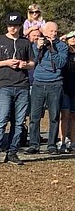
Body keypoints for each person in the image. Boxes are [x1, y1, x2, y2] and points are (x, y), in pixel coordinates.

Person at [0, 13, 33, 165]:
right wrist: (6, 63)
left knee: (18, 122)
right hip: (4, 85)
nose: (13, 28)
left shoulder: (25, 43)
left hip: (22, 85)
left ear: (20, 26)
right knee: (1, 119)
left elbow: (32, 62)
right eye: (10, 25)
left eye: (16, 25)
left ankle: (12, 152)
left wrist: (25, 65)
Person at [25, 21, 68, 155]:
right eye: (50, 31)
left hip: (55, 84)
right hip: (38, 83)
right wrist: (38, 47)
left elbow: (60, 63)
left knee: (54, 116)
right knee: (35, 116)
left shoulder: (62, 46)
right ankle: (34, 144)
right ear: (44, 32)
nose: (53, 34)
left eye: (55, 31)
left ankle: (52, 144)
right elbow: (32, 61)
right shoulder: (36, 45)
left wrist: (52, 49)